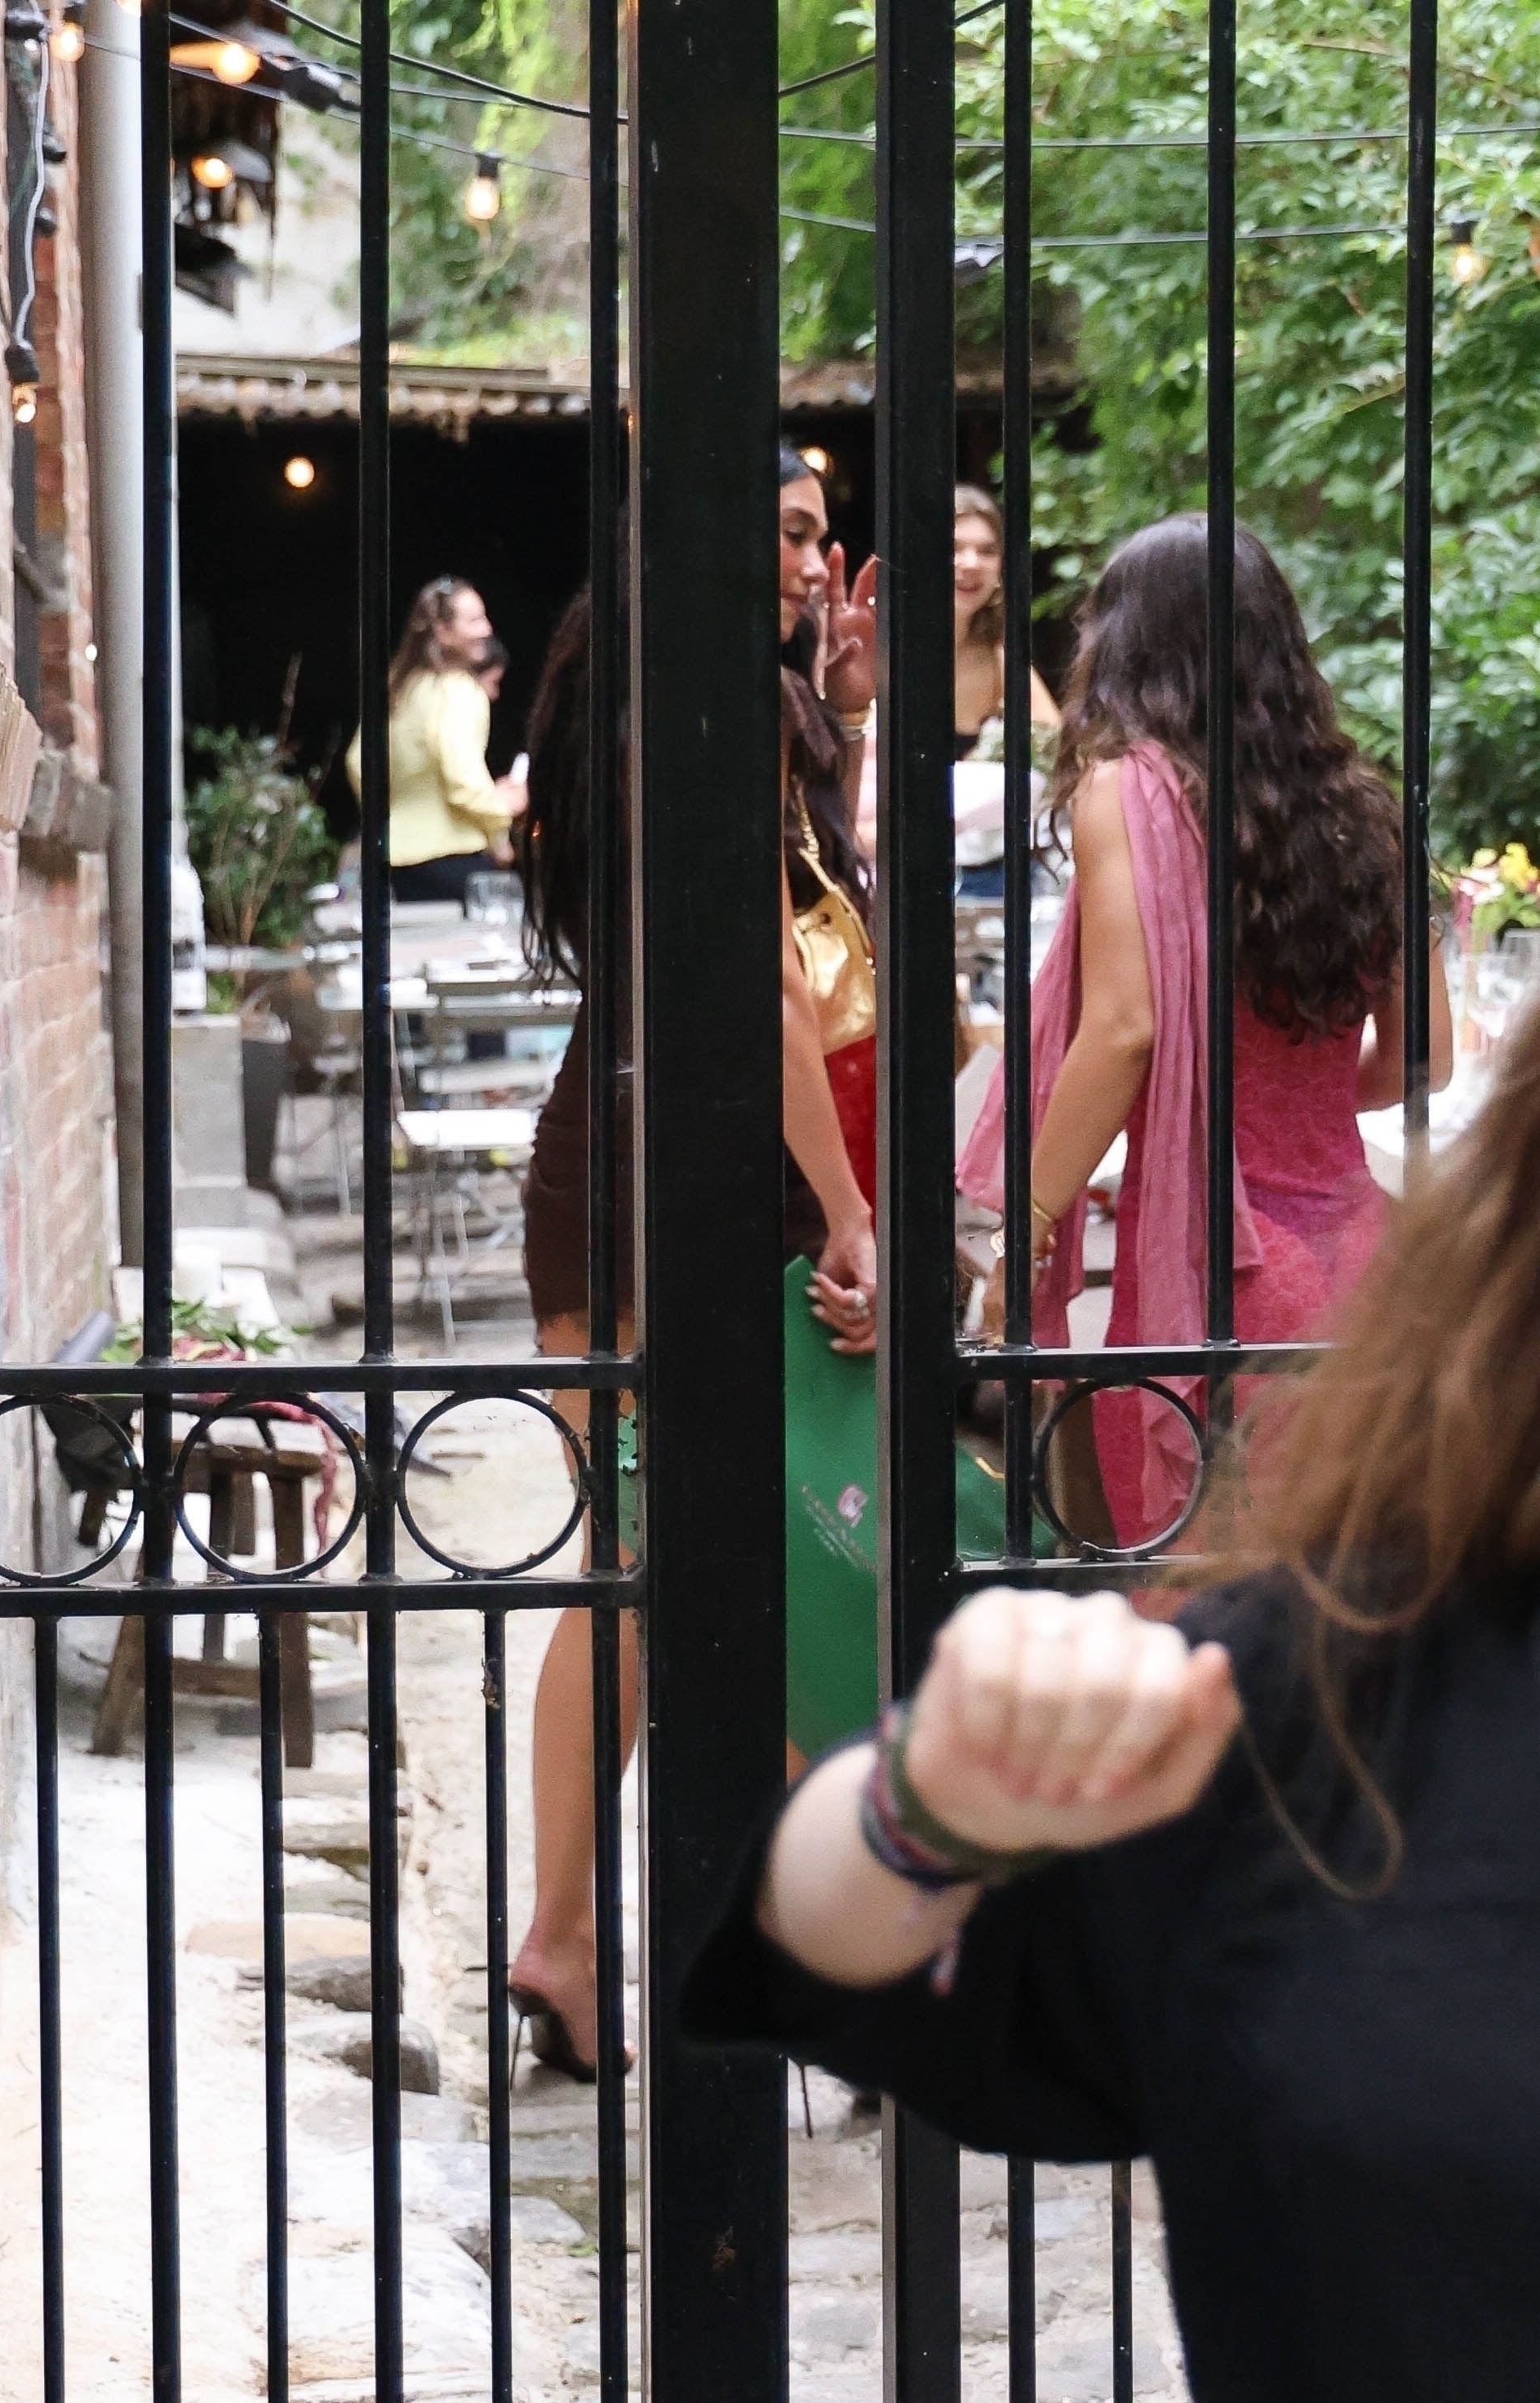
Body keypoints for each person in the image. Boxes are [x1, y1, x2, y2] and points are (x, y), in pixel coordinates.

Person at [689, 993, 1540, 2401]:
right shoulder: (1346, 1680)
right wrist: (931, 1798)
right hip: (1263, 1251)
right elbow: (835, 1955)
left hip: (1222, 1251)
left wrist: (1004, 1223)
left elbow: (1135, 1030)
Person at [507, 453, 879, 2076]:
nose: (812, 559)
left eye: (818, 535)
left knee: (643, 1568)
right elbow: (771, 988)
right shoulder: (708, 716)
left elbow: (800, 917)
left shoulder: (648, 693)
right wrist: (850, 1206)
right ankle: (826, 1956)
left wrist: (841, 708)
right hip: (690, 1177)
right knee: (760, 1569)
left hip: (616, 1153)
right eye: (787, 531)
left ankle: (577, 1936)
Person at [957, 516, 1453, 1546]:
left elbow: (1124, 1029)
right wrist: (1299, 1097)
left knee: (1201, 1607)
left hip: (1220, 1269)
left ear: (1128, 645)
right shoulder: (1365, 811)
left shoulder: (1130, 792)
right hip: (1368, 1268)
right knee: (1345, 1598)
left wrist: (1025, 1229)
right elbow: (1424, 1059)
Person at [344, 575, 511, 904]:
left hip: (394, 858)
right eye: (474, 621)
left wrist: (391, 812)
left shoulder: (400, 689)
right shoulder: (460, 691)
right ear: (443, 632)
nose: (487, 629)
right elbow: (461, 778)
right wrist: (502, 808)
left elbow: (357, 762)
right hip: (454, 858)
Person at [952, 485, 1062, 897]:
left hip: (991, 874)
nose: (971, 563)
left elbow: (1060, 750)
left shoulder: (1001, 662)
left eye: (986, 551)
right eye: (954, 548)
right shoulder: (880, 653)